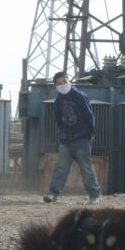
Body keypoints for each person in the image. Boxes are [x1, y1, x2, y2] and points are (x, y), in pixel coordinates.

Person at [43, 71, 102, 205]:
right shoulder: (58, 101)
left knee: (86, 167)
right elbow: (59, 120)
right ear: (55, 86)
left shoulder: (80, 96)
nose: (62, 84)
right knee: (60, 167)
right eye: (59, 83)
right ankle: (53, 193)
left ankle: (95, 195)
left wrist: (91, 133)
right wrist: (64, 133)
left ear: (69, 81)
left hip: (82, 138)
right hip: (66, 140)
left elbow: (89, 115)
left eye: (64, 81)